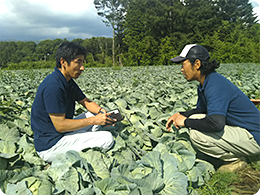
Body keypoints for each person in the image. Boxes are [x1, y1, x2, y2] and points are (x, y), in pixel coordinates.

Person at [166, 44, 260, 172]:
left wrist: (186, 122)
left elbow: (216, 124)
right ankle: (237, 153)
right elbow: (202, 110)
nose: (181, 69)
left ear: (197, 64)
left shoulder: (215, 85)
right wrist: (180, 114)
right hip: (245, 130)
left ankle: (236, 161)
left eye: (183, 64)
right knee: (196, 118)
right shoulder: (207, 82)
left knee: (196, 134)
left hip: (255, 137)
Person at [31, 42, 116, 163]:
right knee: (107, 138)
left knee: (94, 114)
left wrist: (101, 112)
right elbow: (60, 126)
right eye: (78, 62)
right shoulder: (53, 86)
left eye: (82, 62)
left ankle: (86, 138)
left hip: (61, 134)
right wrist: (95, 121)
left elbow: (86, 102)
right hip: (51, 145)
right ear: (63, 62)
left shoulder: (67, 81)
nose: (82, 68)